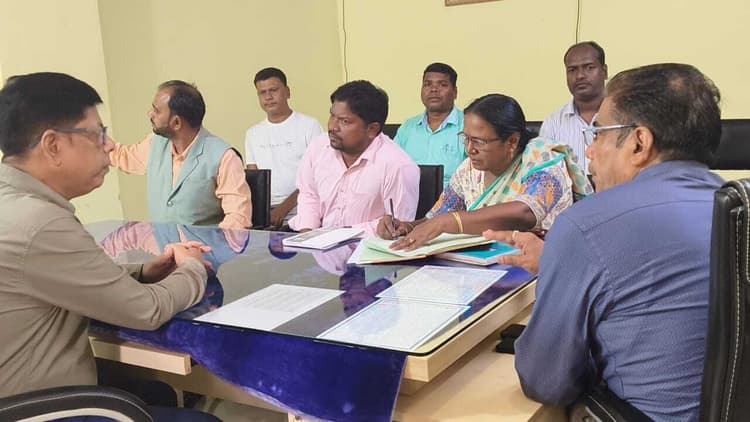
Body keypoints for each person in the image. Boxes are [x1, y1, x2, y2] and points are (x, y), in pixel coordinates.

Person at [485, 63, 725, 421]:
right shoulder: (737, 206)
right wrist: (559, 260)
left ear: (639, 143)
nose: (590, 152)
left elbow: (545, 381)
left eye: (598, 134)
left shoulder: (587, 224)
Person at [0, 72, 218, 421]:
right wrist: (193, 267)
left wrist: (143, 271)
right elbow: (146, 310)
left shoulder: (14, 203)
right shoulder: (40, 223)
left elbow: (66, 276)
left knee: (157, 391)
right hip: (40, 409)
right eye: (97, 134)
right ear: (53, 145)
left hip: (25, 391)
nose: (110, 144)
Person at [377, 94, 592, 250]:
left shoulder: (542, 158)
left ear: (512, 141)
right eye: (466, 139)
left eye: (479, 142)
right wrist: (407, 227)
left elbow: (525, 212)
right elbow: (437, 218)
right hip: (480, 266)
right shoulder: (468, 169)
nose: (469, 149)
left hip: (542, 268)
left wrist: (448, 222)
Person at [110, 80, 251, 229]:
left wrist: (208, 243)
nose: (150, 114)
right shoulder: (155, 143)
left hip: (203, 244)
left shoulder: (224, 157)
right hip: (160, 242)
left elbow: (238, 219)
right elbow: (126, 157)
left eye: (156, 111)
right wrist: (97, 139)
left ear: (176, 123)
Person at [289, 80, 419, 237]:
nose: (332, 127)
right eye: (332, 116)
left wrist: (338, 236)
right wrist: (307, 236)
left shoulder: (398, 166)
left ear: (372, 129)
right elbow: (309, 195)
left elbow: (397, 226)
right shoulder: (318, 147)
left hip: (368, 248)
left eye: (344, 121)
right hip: (318, 244)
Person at [245, 67, 323, 228]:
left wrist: (283, 209)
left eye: (273, 90)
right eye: (262, 92)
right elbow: (255, 179)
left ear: (287, 92)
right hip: (267, 216)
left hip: (304, 210)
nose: (268, 97)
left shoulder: (309, 126)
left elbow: (318, 176)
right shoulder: (253, 133)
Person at [540, 41, 608, 174]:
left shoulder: (623, 116)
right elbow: (545, 174)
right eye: (572, 70)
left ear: (604, 72)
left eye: (589, 67)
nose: (580, 76)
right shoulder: (553, 124)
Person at [395, 62, 465, 186]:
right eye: (427, 84)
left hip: (454, 196)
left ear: (455, 92)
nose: (434, 90)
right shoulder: (408, 127)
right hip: (410, 194)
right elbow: (392, 166)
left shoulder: (468, 126)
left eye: (442, 85)